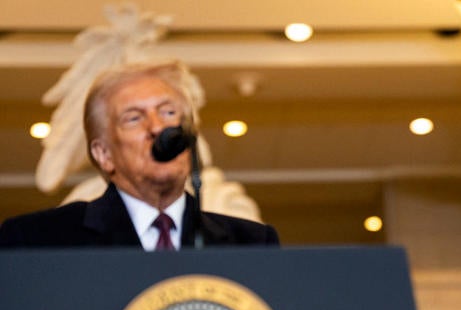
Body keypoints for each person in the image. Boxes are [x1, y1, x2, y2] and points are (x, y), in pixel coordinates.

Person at [0, 61, 278, 249]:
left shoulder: (251, 243)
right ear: (103, 153)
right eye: (134, 118)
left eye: (169, 113)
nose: (157, 127)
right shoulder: (37, 240)